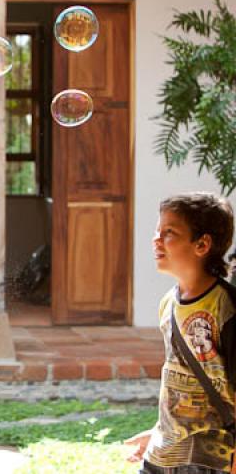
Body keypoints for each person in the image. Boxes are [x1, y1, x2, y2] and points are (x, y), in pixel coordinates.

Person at [125, 192, 236, 474]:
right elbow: (183, 383)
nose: (156, 239)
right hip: (165, 454)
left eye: (169, 232)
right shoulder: (169, 304)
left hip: (210, 459)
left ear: (202, 244)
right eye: (157, 231)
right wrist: (159, 430)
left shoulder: (226, 308)